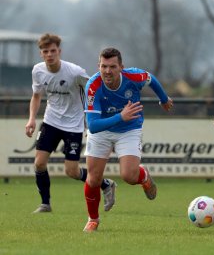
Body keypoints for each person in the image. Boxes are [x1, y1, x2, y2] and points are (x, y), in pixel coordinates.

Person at [82, 47, 173, 232]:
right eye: (103, 66)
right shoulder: (93, 86)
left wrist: (163, 99)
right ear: (98, 66)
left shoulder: (134, 77)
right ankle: (93, 219)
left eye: (112, 67)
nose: (107, 71)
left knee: (129, 176)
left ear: (121, 67)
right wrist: (120, 117)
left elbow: (151, 79)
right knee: (93, 179)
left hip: (129, 129)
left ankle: (144, 176)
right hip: (102, 131)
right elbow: (93, 125)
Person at [25, 33, 116, 214]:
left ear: (59, 51)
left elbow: (94, 86)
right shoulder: (38, 70)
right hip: (50, 121)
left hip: (73, 125)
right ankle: (45, 204)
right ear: (41, 54)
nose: (49, 54)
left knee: (71, 171)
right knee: (39, 163)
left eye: (53, 51)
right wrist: (31, 119)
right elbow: (36, 96)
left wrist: (104, 108)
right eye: (45, 51)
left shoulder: (74, 72)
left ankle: (106, 184)